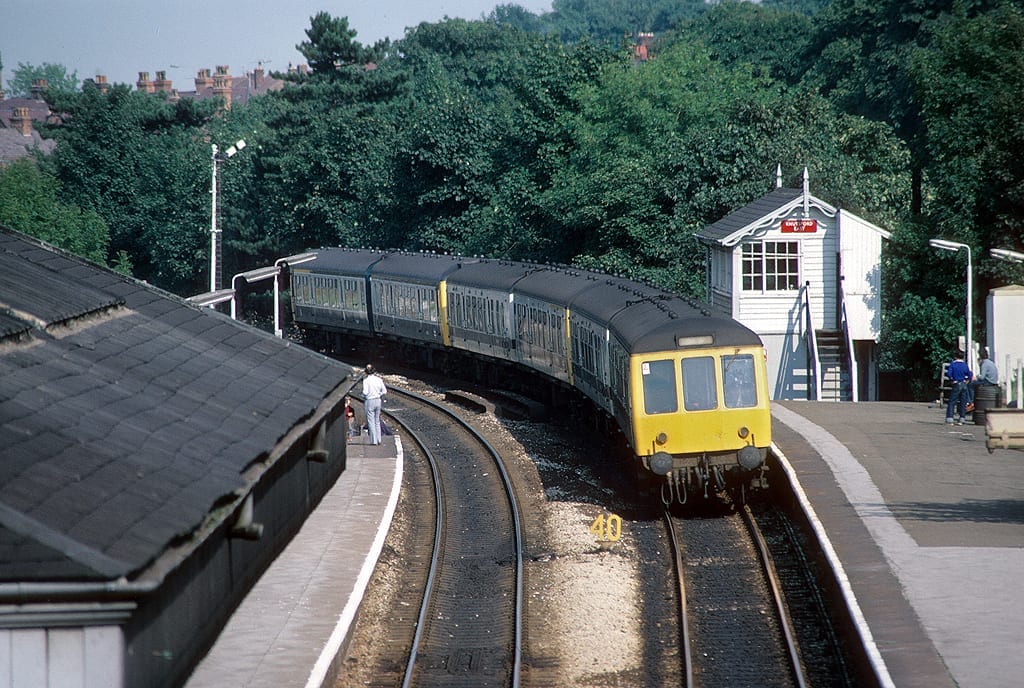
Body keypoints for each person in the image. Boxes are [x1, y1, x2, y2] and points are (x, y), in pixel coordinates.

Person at [361, 364, 387, 445]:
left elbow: (365, 392)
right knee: (377, 420)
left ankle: (374, 441)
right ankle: (379, 439)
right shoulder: (379, 379)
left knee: (371, 421)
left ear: (366, 372)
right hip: (378, 400)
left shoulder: (366, 380)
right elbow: (384, 391)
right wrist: (378, 394)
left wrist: (362, 395)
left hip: (370, 401)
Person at [945, 350, 972, 425]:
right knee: (963, 401)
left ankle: (950, 418)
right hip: (964, 383)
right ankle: (962, 418)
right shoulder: (964, 365)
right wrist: (968, 380)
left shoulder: (953, 364)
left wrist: (952, 379)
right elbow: (969, 374)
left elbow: (949, 374)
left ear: (955, 356)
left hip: (956, 383)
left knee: (952, 401)